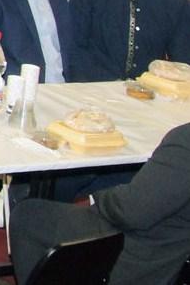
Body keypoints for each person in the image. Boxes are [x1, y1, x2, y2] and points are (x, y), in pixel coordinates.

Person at [10, 122, 190, 285]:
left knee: (29, 215)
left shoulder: (184, 141)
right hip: (174, 250)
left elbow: (131, 212)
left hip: (137, 251)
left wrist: (101, 196)